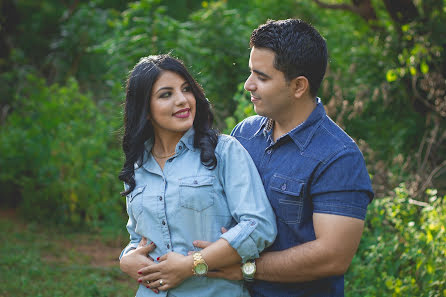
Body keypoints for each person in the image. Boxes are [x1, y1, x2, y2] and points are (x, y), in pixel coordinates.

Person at [192, 19, 374, 296]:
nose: (248, 85)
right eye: (250, 72)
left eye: (261, 77)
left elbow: (333, 256)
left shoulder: (339, 157)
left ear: (299, 86)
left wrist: (246, 269)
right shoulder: (244, 134)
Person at [118, 54, 277, 297]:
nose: (182, 100)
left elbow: (259, 225)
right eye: (166, 94)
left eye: (186, 89)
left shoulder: (224, 151)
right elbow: (139, 239)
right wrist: (126, 259)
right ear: (145, 110)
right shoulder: (139, 166)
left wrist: (192, 265)